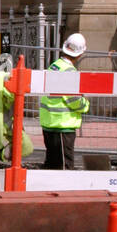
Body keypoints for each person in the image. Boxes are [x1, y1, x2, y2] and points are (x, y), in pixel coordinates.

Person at [39, 32, 90, 170]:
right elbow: (74, 101)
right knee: (64, 167)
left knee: (51, 165)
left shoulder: (55, 66)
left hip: (49, 123)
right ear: (80, 54)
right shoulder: (69, 71)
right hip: (63, 126)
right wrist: (85, 104)